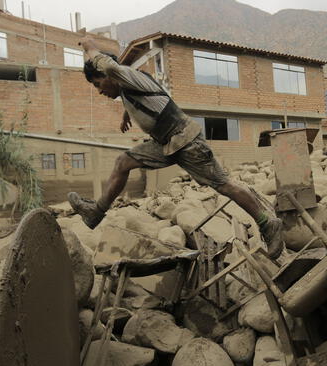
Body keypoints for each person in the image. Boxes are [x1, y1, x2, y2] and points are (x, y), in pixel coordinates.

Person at [67, 36, 284, 258]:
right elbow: (145, 98)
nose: (99, 91)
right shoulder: (127, 88)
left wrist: (91, 48)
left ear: (107, 75)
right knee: (123, 162)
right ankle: (96, 212)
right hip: (165, 143)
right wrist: (126, 115)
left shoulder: (126, 75)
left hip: (186, 140)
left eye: (98, 84)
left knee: (224, 185)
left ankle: (268, 223)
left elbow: (112, 67)